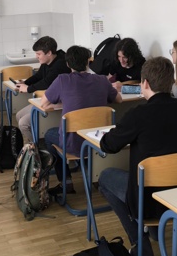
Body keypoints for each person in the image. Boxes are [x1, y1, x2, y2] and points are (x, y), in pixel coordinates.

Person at [98, 56, 177, 256]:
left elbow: (108, 145)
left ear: (144, 83)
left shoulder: (139, 114)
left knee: (106, 177)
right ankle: (153, 231)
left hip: (148, 203)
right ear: (171, 82)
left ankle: (140, 242)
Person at [40, 45, 122, 193]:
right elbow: (118, 100)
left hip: (73, 144)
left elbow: (43, 103)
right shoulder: (102, 80)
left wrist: (64, 101)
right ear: (88, 62)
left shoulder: (63, 80)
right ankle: (93, 174)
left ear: (68, 64)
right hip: (99, 140)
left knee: (48, 135)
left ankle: (66, 182)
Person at [14, 36, 70, 144]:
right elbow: (39, 76)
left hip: (56, 104)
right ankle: (36, 143)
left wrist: (28, 88)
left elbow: (47, 82)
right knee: (19, 115)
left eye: (38, 54)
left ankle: (38, 147)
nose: (36, 57)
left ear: (49, 53)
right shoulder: (47, 62)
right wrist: (25, 83)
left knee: (23, 124)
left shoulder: (60, 64)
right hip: (49, 100)